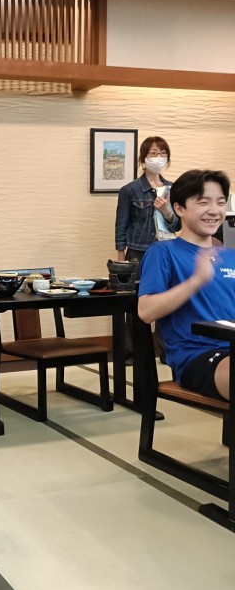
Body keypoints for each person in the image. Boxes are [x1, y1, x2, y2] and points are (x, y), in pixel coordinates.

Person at [138, 169, 234, 400]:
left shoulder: (230, 256)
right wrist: (196, 281)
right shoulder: (163, 252)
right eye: (203, 202)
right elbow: (146, 311)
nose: (214, 210)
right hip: (198, 356)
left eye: (221, 202)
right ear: (179, 208)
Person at [114, 135, 180, 358]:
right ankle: (131, 353)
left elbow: (178, 225)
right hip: (138, 252)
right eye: (153, 153)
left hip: (167, 250)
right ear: (143, 158)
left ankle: (167, 352)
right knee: (135, 302)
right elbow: (121, 224)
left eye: (163, 153)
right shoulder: (130, 190)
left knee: (168, 301)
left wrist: (167, 211)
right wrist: (120, 257)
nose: (158, 158)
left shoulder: (173, 189)